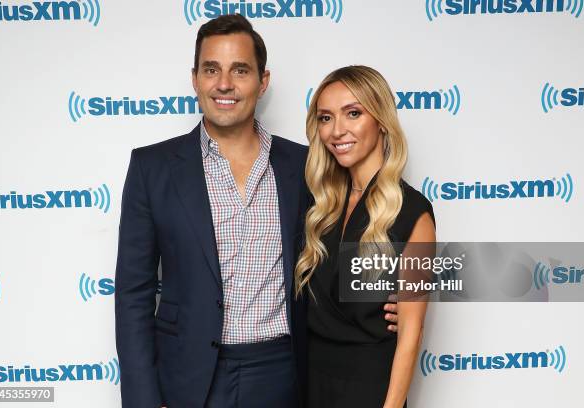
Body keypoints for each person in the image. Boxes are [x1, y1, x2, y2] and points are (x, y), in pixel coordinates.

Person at [115, 14, 399, 408]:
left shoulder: (305, 166)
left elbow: (368, 222)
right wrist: (144, 401)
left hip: (283, 373)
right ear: (195, 78)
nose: (224, 84)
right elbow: (133, 293)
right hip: (188, 378)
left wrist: (410, 293)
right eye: (211, 69)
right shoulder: (152, 168)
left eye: (240, 70)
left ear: (263, 81)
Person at [295, 65, 436, 408]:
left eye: (353, 114)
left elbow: (410, 335)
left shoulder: (412, 210)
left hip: (369, 390)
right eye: (325, 118)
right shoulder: (320, 205)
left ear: (382, 121)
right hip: (310, 384)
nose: (336, 131)